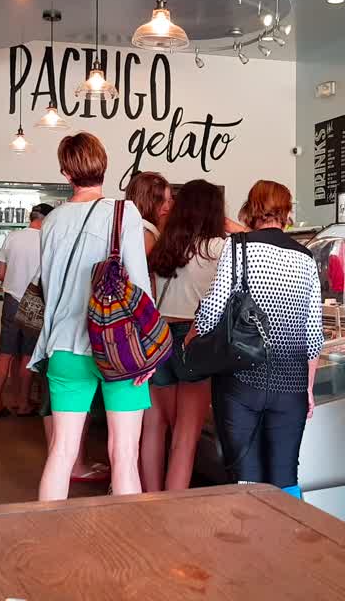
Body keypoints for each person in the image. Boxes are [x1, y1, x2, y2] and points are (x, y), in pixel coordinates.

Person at [34, 132, 154, 500]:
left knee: (62, 452)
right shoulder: (124, 213)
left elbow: (50, 286)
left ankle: (46, 540)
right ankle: (126, 549)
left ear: (66, 173)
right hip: (118, 349)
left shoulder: (52, 220)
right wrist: (146, 349)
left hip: (64, 346)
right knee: (124, 455)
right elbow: (140, 286)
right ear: (104, 166)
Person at [196, 180, 323, 499]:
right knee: (285, 475)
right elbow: (313, 336)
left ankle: (250, 546)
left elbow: (209, 314)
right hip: (291, 384)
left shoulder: (237, 248)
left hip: (240, 381)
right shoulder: (306, 258)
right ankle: (289, 543)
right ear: (287, 212)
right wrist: (307, 388)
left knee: (245, 478)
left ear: (251, 209)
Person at [142, 180, 226, 492]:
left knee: (154, 426)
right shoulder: (218, 247)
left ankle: (149, 499)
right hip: (195, 338)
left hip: (159, 334)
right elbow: (259, 242)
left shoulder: (164, 245)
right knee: (185, 435)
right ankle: (173, 505)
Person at [0, 203, 54, 418]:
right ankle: (23, 404)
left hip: (11, 300)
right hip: (35, 303)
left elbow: (1, 274)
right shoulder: (48, 241)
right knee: (27, 355)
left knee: (5, 353)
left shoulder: (12, 237)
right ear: (46, 219)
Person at [124, 171, 172, 255]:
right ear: (145, 200)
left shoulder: (127, 224)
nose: (167, 208)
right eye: (161, 201)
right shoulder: (146, 234)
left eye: (168, 201)